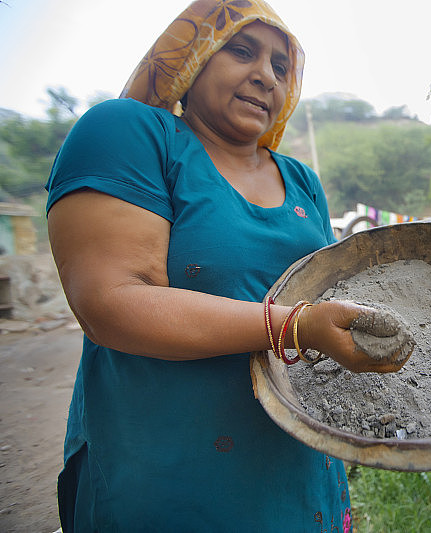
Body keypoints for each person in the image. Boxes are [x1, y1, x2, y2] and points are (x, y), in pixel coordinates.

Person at [46, 1, 407, 530]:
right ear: (194, 58)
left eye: (281, 67)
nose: (265, 74)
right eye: (242, 50)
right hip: (166, 466)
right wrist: (297, 325)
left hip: (297, 462)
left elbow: (326, 301)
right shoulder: (132, 134)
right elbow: (111, 302)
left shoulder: (302, 180)